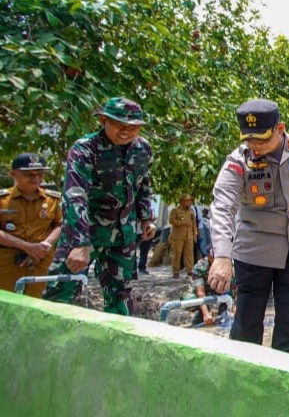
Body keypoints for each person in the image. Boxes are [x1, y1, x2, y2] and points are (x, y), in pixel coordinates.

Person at [207, 99, 289, 355]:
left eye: (262, 139)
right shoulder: (238, 160)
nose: (256, 146)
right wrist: (222, 255)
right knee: (247, 326)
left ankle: (285, 382)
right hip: (254, 253)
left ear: (280, 128)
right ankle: (243, 381)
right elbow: (222, 206)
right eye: (249, 140)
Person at [43, 98, 155, 315]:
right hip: (86, 231)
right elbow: (75, 196)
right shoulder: (85, 148)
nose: (126, 132)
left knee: (121, 296)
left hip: (123, 235)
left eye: (133, 127)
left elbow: (143, 184)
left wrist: (146, 218)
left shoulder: (143, 149)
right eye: (119, 125)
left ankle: (115, 344)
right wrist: (79, 243)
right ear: (104, 120)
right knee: (60, 293)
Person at [0, 153, 62, 298]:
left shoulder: (52, 199)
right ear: (13, 174)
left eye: (40, 174)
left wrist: (45, 245)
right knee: (5, 303)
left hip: (40, 260)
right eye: (29, 174)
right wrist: (26, 247)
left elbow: (59, 225)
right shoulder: (3, 199)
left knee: (36, 304)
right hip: (7, 262)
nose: (36, 179)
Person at [169, 194, 197, 279]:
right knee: (177, 254)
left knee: (189, 254)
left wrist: (195, 233)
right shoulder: (175, 210)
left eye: (190, 201)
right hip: (178, 236)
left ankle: (190, 271)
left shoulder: (191, 212)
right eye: (187, 201)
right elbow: (171, 220)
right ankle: (176, 272)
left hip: (189, 236)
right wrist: (183, 223)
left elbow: (193, 223)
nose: (189, 203)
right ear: (182, 202)